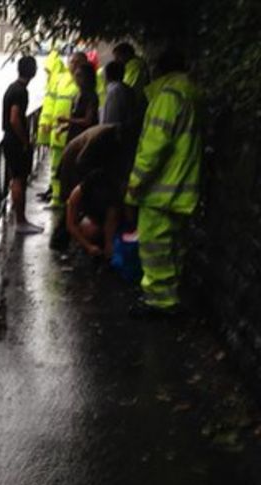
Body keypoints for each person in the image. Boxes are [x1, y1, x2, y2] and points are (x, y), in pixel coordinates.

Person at [125, 48, 202, 317]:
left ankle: (159, 302)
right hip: (182, 187)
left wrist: (135, 182)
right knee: (173, 248)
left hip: (160, 191)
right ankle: (170, 296)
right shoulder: (190, 94)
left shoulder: (167, 97)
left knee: (155, 248)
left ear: (159, 70)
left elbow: (154, 146)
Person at [49, 124, 125, 250]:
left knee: (75, 204)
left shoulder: (110, 134)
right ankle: (62, 240)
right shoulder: (105, 137)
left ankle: (69, 239)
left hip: (82, 162)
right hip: (74, 162)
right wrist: (89, 183)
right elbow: (82, 161)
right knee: (72, 205)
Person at [2, 55, 43, 234]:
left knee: (16, 178)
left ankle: (19, 218)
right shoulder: (20, 92)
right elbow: (14, 118)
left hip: (10, 139)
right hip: (15, 141)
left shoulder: (13, 88)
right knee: (19, 179)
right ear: (32, 71)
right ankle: (20, 221)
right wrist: (25, 141)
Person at [46, 51, 88, 208]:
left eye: (77, 62)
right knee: (56, 167)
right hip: (59, 132)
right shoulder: (61, 80)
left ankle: (69, 200)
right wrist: (46, 124)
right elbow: (50, 102)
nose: (73, 65)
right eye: (71, 62)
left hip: (75, 134)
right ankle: (56, 198)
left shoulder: (86, 84)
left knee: (73, 168)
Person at [66, 169, 122, 257]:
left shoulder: (112, 197)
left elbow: (110, 222)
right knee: (89, 228)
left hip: (104, 219)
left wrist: (108, 245)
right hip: (88, 219)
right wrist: (88, 246)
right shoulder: (78, 193)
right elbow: (70, 224)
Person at [58, 62, 99, 143]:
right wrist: (65, 128)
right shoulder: (77, 94)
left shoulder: (91, 96)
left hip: (85, 138)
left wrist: (67, 120)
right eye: (75, 75)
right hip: (74, 137)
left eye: (79, 75)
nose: (76, 78)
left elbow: (87, 121)